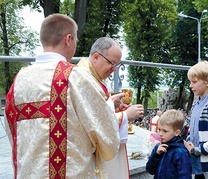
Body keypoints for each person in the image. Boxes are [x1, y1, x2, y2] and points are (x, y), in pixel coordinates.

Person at [4, 14, 120, 178]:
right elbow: (106, 135)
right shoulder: (75, 77)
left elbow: (13, 133)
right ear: (68, 39)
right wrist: (110, 107)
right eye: (76, 41)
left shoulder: (18, 81)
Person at [78, 37, 144, 179]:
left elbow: (95, 114)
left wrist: (112, 107)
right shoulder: (83, 80)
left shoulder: (93, 76)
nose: (114, 70)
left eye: (117, 65)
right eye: (112, 63)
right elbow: (92, 126)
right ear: (96, 57)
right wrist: (125, 116)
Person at [146, 109, 192, 179]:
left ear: (177, 132)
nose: (160, 134)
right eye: (159, 129)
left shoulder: (180, 152)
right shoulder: (158, 147)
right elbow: (150, 170)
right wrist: (156, 155)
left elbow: (185, 176)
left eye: (165, 131)